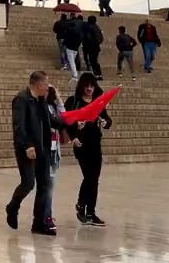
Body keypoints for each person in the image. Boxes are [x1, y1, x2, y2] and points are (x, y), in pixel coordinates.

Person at [5, 70, 62, 235]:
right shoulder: (22, 99)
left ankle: (38, 224)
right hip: (27, 149)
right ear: (38, 84)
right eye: (46, 84)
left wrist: (70, 125)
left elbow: (49, 120)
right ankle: (12, 206)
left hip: (43, 148)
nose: (48, 88)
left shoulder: (41, 100)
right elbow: (19, 126)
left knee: (44, 185)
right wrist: (28, 145)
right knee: (28, 183)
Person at [65, 72, 112, 227]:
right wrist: (74, 137)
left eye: (92, 86)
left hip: (95, 144)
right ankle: (82, 207)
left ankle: (89, 211)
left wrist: (105, 123)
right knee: (90, 177)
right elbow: (66, 121)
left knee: (94, 178)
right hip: (81, 144)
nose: (89, 89)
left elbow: (108, 121)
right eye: (87, 86)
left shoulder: (98, 104)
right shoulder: (73, 102)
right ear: (82, 86)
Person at [42, 85, 65, 232]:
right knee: (46, 186)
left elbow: (64, 118)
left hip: (53, 150)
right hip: (43, 150)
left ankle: (47, 214)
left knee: (50, 184)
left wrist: (59, 99)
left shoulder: (53, 106)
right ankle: (46, 216)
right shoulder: (40, 107)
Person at [61, 15, 83, 81]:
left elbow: (66, 37)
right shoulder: (79, 31)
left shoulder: (69, 30)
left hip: (69, 47)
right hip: (75, 47)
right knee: (72, 60)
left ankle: (75, 75)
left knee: (71, 61)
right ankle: (75, 74)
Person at [81, 16, 104, 81]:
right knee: (94, 60)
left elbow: (85, 37)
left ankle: (96, 74)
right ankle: (98, 74)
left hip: (90, 46)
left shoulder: (88, 28)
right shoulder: (97, 27)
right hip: (96, 47)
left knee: (92, 61)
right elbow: (101, 38)